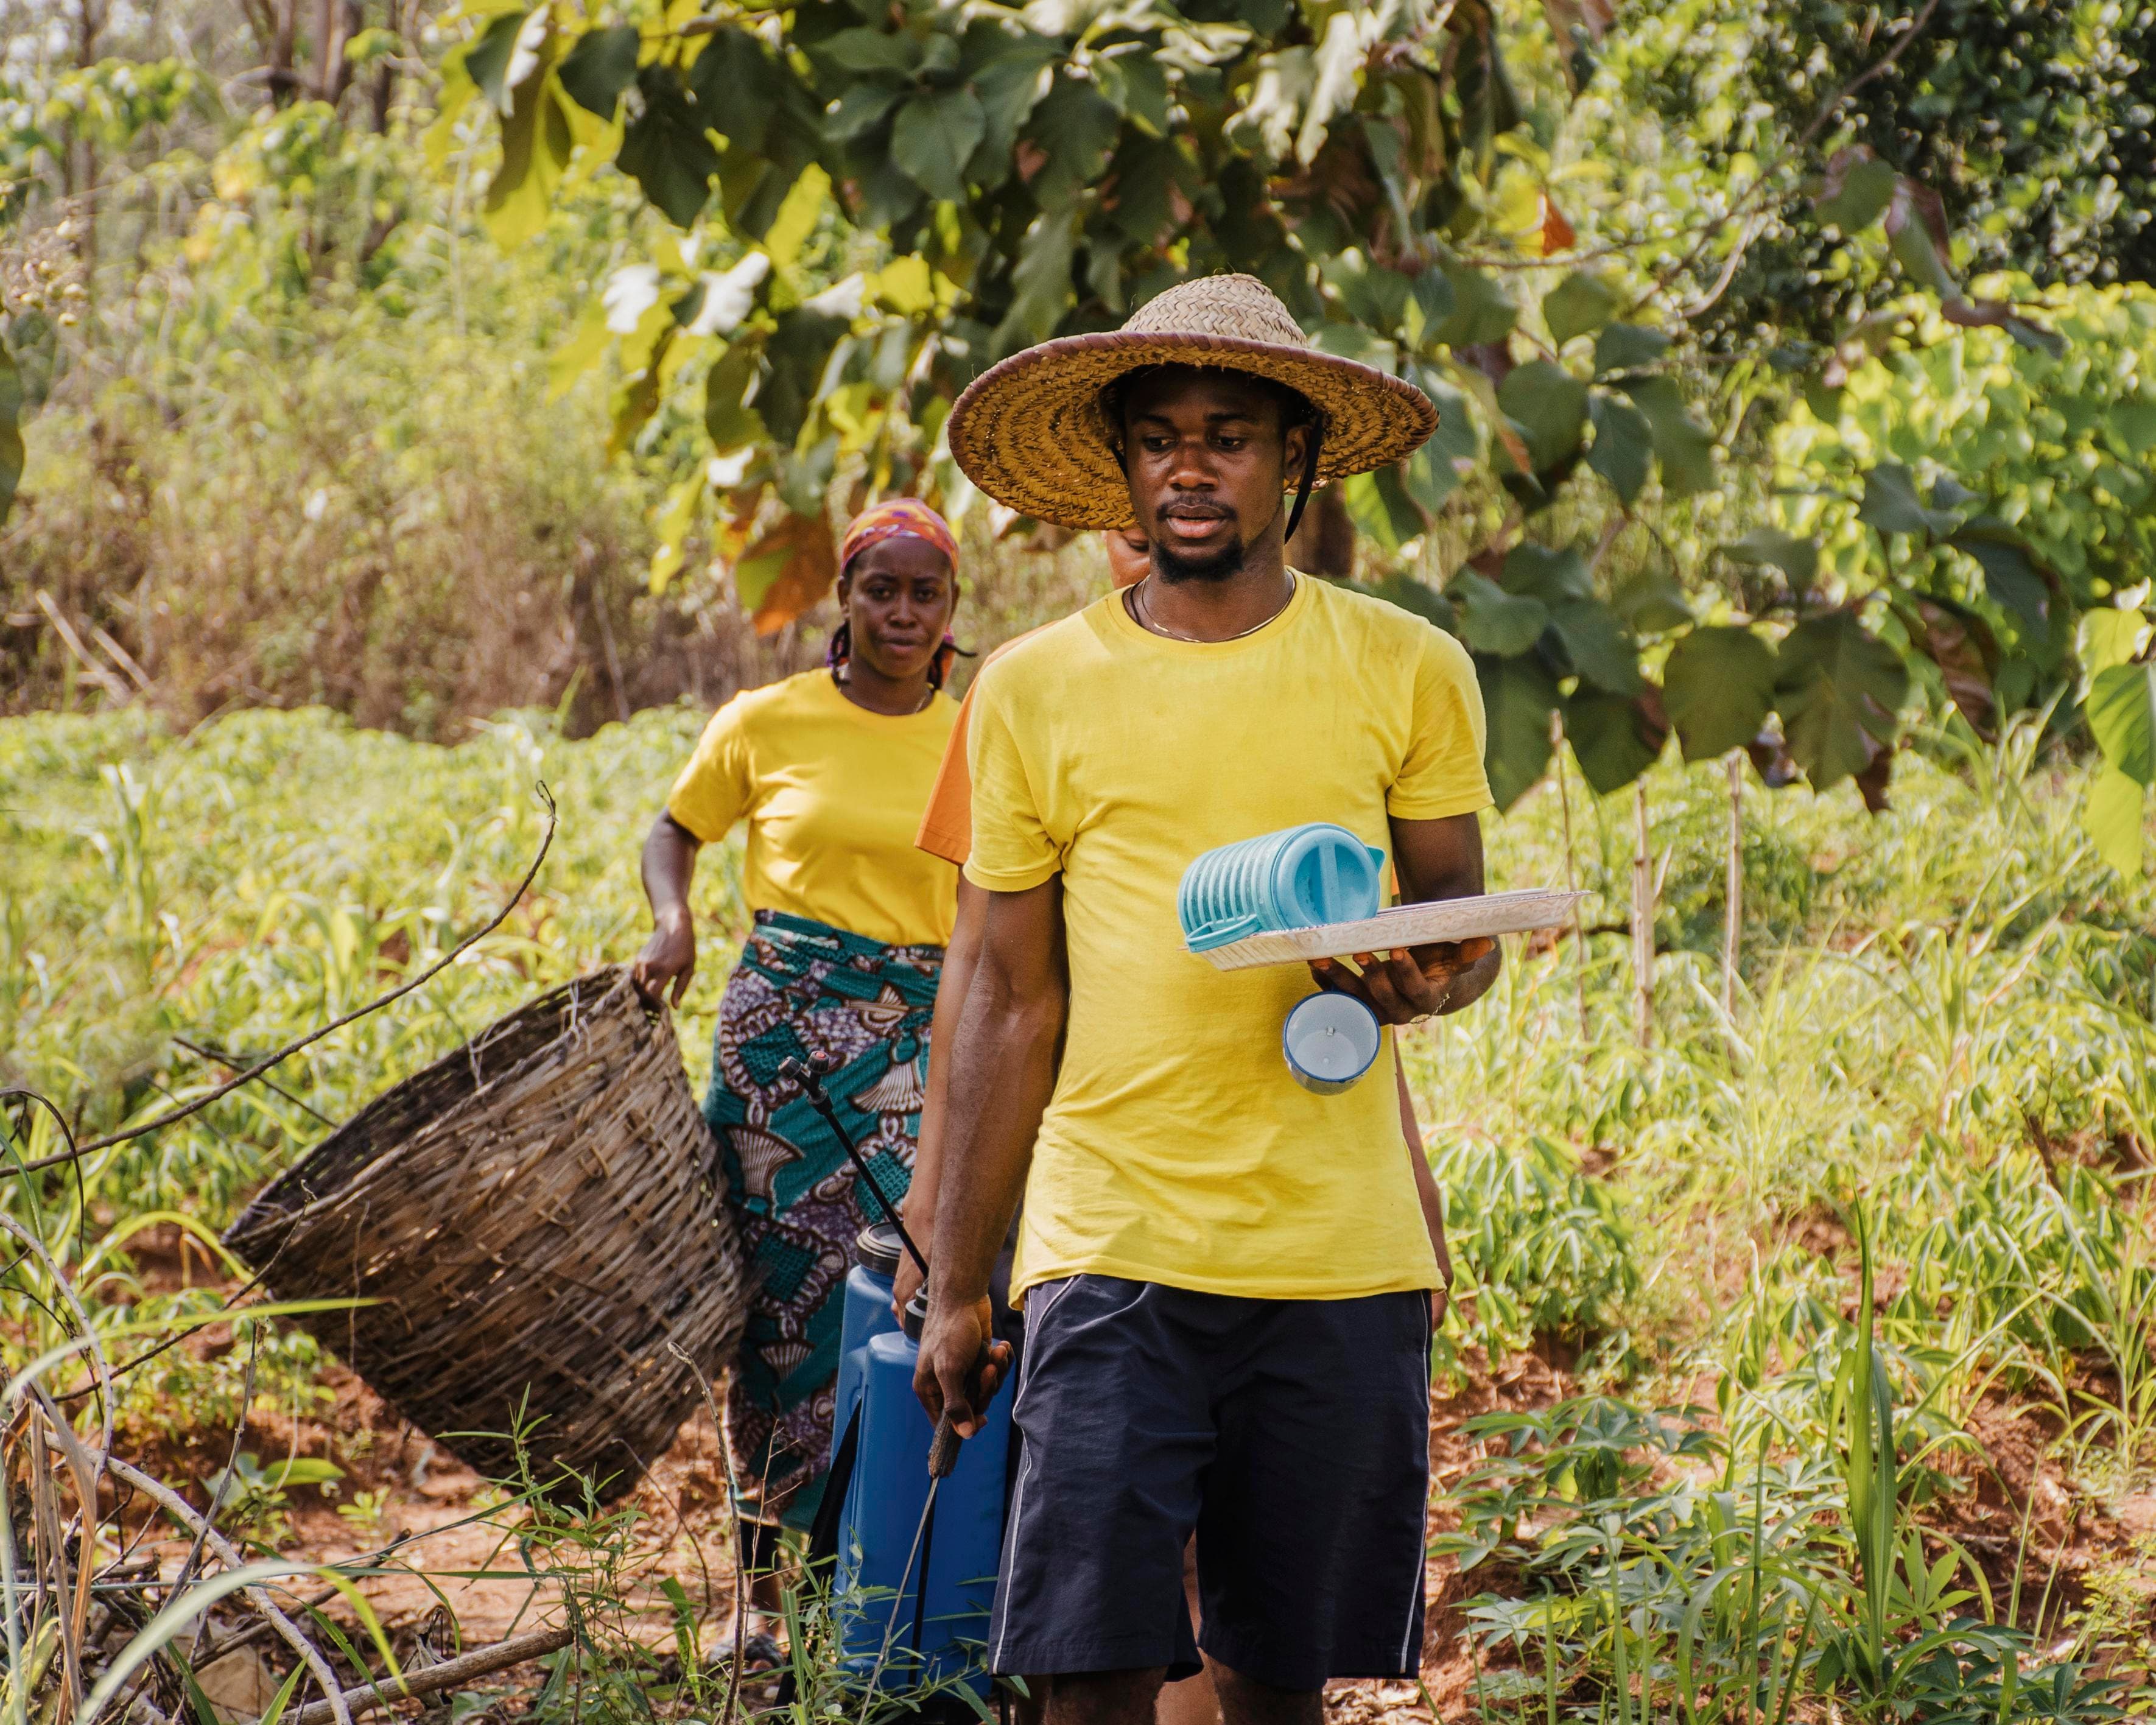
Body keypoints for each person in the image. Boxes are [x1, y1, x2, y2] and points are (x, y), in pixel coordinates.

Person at [918, 274, 1500, 1725]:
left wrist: (1430, 980)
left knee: (1273, 1686)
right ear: (1122, 467)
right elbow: (1001, 993)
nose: (1191, 465)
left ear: (1295, 460)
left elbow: (1459, 920)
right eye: (1161, 436)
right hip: (1115, 1241)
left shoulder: (1405, 666)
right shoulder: (1036, 686)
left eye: (1230, 434)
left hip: (1334, 1247)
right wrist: (958, 1276)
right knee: (1089, 1672)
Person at [630, 497, 965, 1643]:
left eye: (926, 591)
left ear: (952, 608)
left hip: (920, 1041)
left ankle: (879, 1590)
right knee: (778, 1316)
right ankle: (762, 1606)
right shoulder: (766, 720)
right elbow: (673, 827)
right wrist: (672, 920)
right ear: (847, 599)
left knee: (906, 1289)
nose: (904, 611)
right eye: (883, 588)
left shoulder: (976, 738)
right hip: (781, 1040)